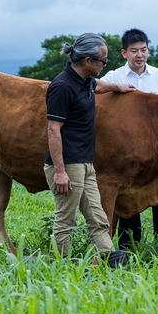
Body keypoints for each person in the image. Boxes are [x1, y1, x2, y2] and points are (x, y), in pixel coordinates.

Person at [44, 32, 135, 266]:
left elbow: (100, 86)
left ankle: (108, 256)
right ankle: (61, 265)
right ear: (88, 61)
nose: (105, 65)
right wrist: (60, 171)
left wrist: (118, 87)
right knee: (66, 219)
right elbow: (53, 130)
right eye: (103, 61)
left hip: (85, 162)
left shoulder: (86, 81)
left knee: (97, 215)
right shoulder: (62, 87)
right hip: (68, 164)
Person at [101, 28, 158, 250]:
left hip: (156, 152)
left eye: (143, 50)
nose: (139, 55)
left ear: (148, 51)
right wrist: (116, 88)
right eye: (134, 51)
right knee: (127, 199)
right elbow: (94, 87)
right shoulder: (115, 76)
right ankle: (128, 247)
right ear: (124, 53)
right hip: (127, 153)